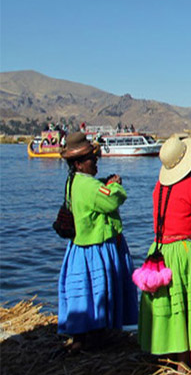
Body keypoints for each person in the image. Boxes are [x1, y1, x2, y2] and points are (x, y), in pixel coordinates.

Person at [57, 132, 138, 351]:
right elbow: (111, 200)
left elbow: (96, 192)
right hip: (95, 248)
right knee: (98, 291)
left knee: (86, 294)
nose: (96, 162)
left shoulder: (75, 181)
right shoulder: (89, 186)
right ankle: (95, 338)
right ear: (79, 163)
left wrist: (105, 183)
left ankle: (83, 336)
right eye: (92, 159)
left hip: (80, 247)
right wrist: (117, 185)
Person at [135, 134, 191, 367]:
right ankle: (185, 357)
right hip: (182, 251)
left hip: (158, 250)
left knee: (165, 302)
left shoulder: (159, 187)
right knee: (183, 303)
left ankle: (164, 353)